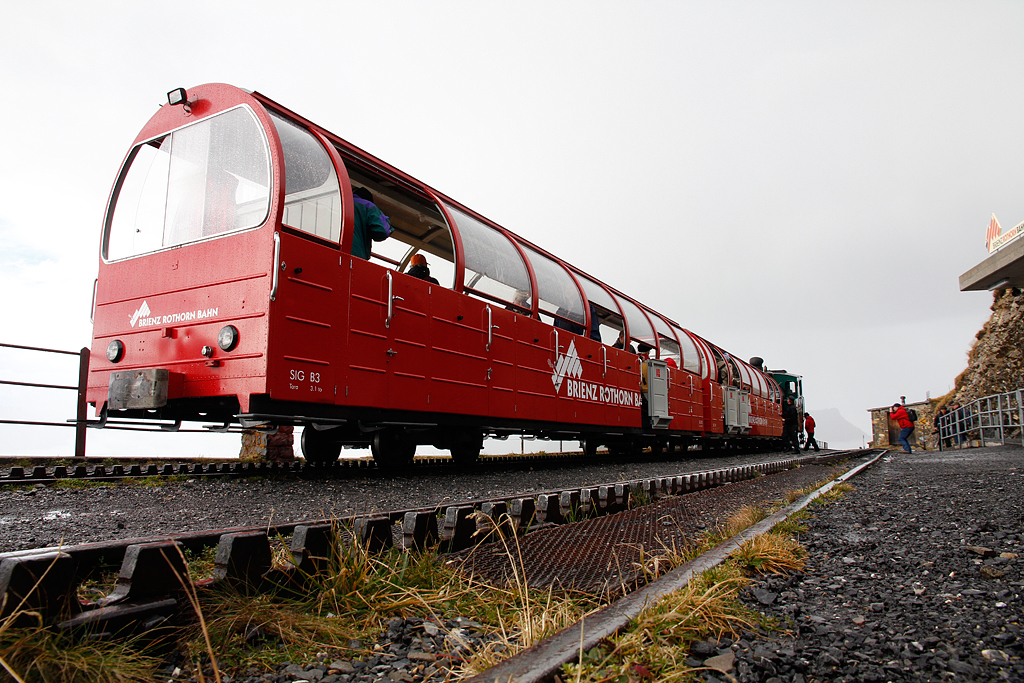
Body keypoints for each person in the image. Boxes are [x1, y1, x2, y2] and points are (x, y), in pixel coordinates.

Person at [351, 187, 392, 260]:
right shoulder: (368, 205)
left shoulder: (339, 201)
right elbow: (383, 231)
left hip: (331, 250)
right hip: (355, 256)